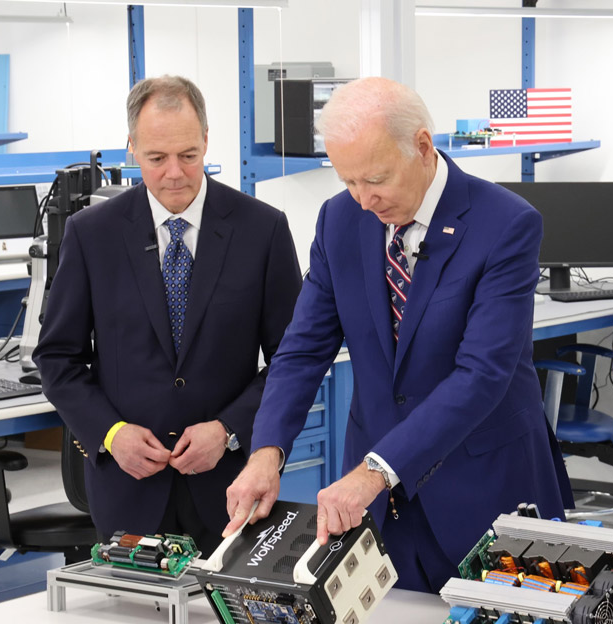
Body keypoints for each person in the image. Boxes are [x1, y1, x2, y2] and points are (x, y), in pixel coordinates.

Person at [224, 77, 573, 592]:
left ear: (423, 147)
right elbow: (301, 350)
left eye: (376, 179)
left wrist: (375, 470)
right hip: (379, 511)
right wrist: (267, 451)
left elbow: (482, 374)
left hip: (482, 489)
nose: (363, 200)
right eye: (348, 182)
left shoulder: (506, 224)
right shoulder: (338, 221)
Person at [34, 75, 302, 554]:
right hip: (127, 491)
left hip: (229, 488)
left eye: (188, 155)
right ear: (132, 149)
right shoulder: (91, 234)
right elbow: (57, 358)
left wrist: (228, 430)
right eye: (157, 159)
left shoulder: (262, 230)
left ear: (206, 141)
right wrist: (112, 435)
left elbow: (292, 359)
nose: (174, 173)